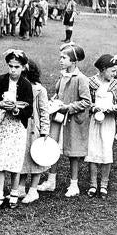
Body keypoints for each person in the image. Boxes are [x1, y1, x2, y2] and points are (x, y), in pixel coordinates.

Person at [0, 49, 33, 210]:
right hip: (2, 125)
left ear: (23, 67)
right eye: (10, 66)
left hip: (16, 126)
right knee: (0, 159)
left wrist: (17, 110)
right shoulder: (1, 80)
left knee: (14, 159)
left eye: (16, 67)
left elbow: (29, 109)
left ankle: (14, 192)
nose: (13, 70)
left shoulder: (25, 85)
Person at [38, 43, 91, 196]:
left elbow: (86, 101)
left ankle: (74, 185)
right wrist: (54, 101)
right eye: (60, 57)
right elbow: (59, 93)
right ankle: (51, 180)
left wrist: (68, 107)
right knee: (54, 147)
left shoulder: (81, 79)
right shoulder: (63, 75)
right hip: (59, 118)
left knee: (73, 151)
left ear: (73, 61)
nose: (60, 60)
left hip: (72, 120)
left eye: (64, 58)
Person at [85, 55, 117, 199]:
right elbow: (87, 102)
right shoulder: (91, 83)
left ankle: (104, 185)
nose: (115, 74)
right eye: (112, 71)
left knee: (106, 149)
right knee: (93, 149)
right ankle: (93, 184)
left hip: (109, 122)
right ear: (102, 69)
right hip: (95, 121)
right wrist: (94, 108)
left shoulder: (115, 85)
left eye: (116, 71)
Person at [13, 60, 50, 204]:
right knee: (22, 157)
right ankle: (21, 187)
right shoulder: (18, 87)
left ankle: (33, 190)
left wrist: (45, 130)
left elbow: (44, 111)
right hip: (21, 126)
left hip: (34, 128)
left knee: (36, 157)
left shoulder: (40, 90)